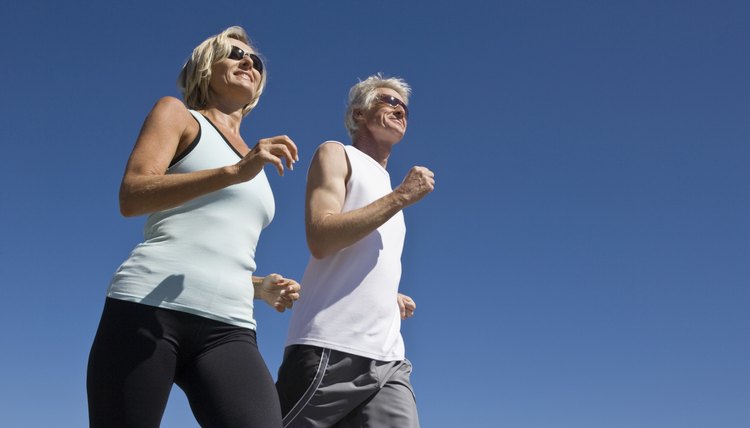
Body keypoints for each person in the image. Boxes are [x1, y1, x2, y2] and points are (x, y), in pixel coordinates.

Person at [87, 26, 300, 428]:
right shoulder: (179, 116)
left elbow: (210, 240)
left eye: (254, 61)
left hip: (230, 327)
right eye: (234, 54)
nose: (247, 63)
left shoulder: (257, 161)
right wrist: (235, 170)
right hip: (147, 309)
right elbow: (132, 196)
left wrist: (256, 287)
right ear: (206, 66)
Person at [276, 74, 434, 428]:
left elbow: (361, 257)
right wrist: (401, 197)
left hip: (389, 358)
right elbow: (321, 237)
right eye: (388, 101)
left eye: (404, 106)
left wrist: (386, 294)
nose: (399, 109)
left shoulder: (390, 187)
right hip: (331, 347)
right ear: (359, 114)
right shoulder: (336, 154)